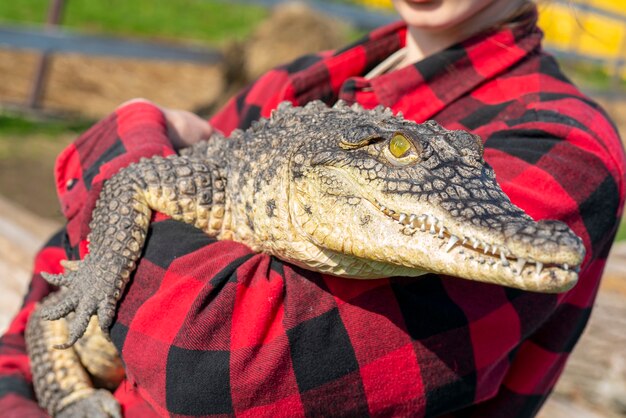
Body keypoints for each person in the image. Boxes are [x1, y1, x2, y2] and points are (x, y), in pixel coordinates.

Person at [1, 0, 624, 416]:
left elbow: (221, 374)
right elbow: (59, 276)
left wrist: (132, 128)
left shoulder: (560, 140)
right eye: (400, 150)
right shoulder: (299, 85)